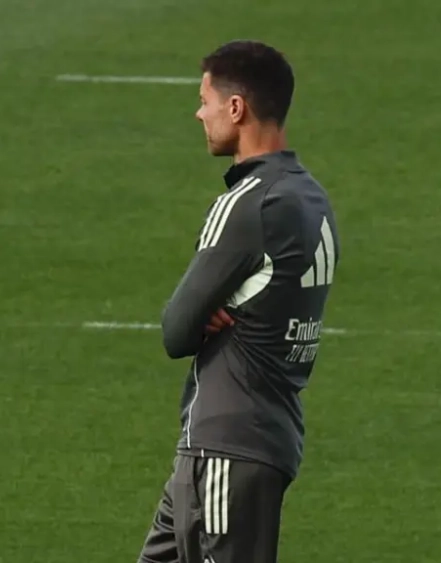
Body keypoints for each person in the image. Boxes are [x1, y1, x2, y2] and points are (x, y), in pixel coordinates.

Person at [136, 40, 340, 563]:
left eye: (205, 99)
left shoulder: (246, 204)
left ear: (236, 107)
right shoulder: (311, 198)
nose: (198, 112)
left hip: (226, 446)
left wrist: (203, 314)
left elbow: (176, 330)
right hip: (262, 436)